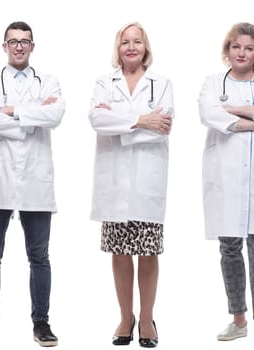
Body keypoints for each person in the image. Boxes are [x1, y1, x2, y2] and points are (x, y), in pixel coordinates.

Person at [0, 21, 64, 348]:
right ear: (4, 46)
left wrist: (14, 111)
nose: (19, 46)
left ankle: (42, 323)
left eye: (25, 42)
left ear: (33, 46)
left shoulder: (48, 81)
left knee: (40, 256)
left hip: (36, 179)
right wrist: (32, 119)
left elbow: (56, 114)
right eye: (13, 42)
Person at [198, 22, 254, 349]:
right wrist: (253, 121)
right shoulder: (213, 83)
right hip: (225, 180)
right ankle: (238, 320)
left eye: (249, 48)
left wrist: (233, 111)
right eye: (237, 47)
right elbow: (208, 113)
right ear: (228, 50)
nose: (242, 53)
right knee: (230, 248)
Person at [88, 22, 173, 348]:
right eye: (125, 42)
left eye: (137, 41)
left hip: (147, 181)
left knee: (148, 252)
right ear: (118, 47)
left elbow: (163, 124)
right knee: (120, 252)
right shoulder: (103, 83)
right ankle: (126, 317)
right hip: (115, 182)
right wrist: (140, 118)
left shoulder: (161, 83)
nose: (131, 47)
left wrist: (121, 119)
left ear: (146, 47)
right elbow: (97, 120)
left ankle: (147, 318)